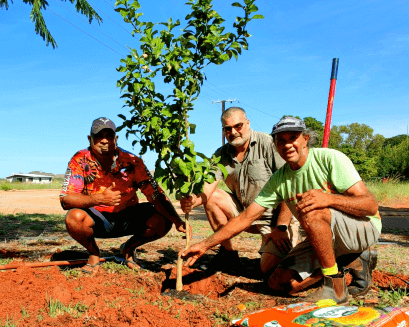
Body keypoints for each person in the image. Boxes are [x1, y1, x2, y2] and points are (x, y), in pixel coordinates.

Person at [181, 116, 381, 303]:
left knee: (311, 207)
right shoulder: (279, 180)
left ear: (305, 139)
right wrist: (206, 244)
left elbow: (370, 206)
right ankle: (349, 259)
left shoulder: (330, 159)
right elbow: (247, 216)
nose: (287, 144)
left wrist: (327, 199)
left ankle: (335, 286)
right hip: (322, 238)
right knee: (278, 283)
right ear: (275, 145)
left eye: (293, 138)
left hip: (361, 228)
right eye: (281, 140)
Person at [179, 107, 298, 273]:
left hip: (274, 219)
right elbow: (208, 188)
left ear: (248, 123)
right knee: (213, 197)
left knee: (271, 271)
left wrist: (282, 226)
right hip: (244, 215)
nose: (233, 132)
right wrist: (193, 201)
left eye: (238, 126)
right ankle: (228, 255)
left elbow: (290, 186)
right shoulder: (221, 154)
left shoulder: (268, 143)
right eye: (228, 129)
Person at [60, 117, 187, 273]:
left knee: (164, 217)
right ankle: (93, 253)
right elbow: (65, 200)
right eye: (99, 136)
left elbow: (154, 193)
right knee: (74, 218)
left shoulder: (132, 161)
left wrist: (177, 220)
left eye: (109, 136)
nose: (104, 141)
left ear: (116, 139)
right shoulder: (80, 160)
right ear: (89, 139)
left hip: (128, 218)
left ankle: (128, 248)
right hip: (97, 219)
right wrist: (99, 198)